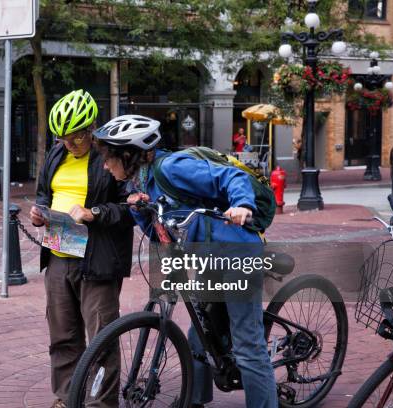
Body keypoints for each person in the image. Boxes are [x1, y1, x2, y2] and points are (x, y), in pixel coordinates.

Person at [93, 114, 278, 408]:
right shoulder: (140, 182)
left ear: (128, 155)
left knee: (248, 346)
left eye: (108, 157)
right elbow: (158, 234)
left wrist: (241, 205)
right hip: (204, 256)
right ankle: (195, 400)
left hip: (235, 250)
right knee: (199, 331)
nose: (104, 165)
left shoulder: (173, 167)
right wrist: (141, 209)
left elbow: (232, 177)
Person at [29, 90, 134, 408]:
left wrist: (95, 214)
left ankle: (100, 403)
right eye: (62, 139)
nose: (69, 145)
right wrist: (39, 213)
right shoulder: (55, 154)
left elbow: (130, 208)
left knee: (101, 340)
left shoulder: (111, 157)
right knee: (62, 336)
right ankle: (66, 397)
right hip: (60, 253)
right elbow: (44, 194)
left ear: (91, 130)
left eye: (75, 138)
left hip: (98, 260)